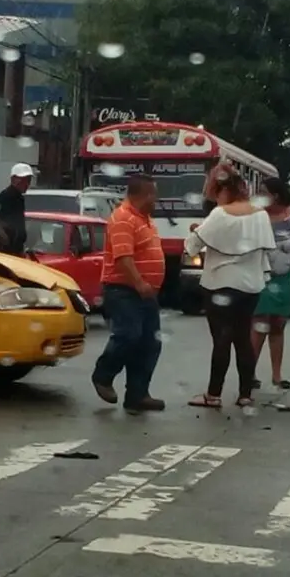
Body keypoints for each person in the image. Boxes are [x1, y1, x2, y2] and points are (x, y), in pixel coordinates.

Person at [184, 165, 276, 409]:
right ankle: (245, 394)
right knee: (243, 338)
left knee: (222, 339)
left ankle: (213, 394)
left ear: (219, 189)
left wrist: (196, 231)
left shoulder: (219, 214)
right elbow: (264, 250)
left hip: (219, 284)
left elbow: (192, 246)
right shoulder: (260, 214)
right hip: (251, 286)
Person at [91, 172, 166, 412]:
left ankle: (137, 394)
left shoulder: (145, 218)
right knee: (128, 335)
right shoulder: (123, 218)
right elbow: (124, 257)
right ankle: (103, 375)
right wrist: (139, 282)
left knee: (149, 343)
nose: (156, 199)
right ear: (143, 195)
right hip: (124, 289)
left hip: (145, 293)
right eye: (154, 194)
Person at [251, 177, 290, 392]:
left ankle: (277, 375)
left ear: (275, 195)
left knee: (278, 324)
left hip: (286, 277)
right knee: (258, 324)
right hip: (261, 276)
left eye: (263, 191)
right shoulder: (256, 216)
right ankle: (249, 373)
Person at [0, 163, 33, 257]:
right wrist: (2, 234)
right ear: (13, 179)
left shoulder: (19, 198)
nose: (27, 184)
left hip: (16, 251)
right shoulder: (8, 195)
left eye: (28, 180)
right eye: (23, 180)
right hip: (6, 252)